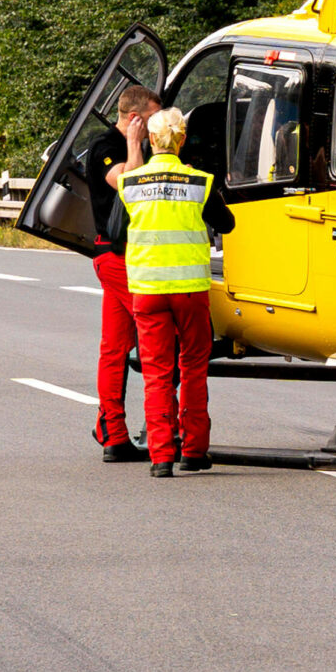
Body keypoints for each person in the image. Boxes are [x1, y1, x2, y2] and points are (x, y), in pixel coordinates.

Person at [108, 107, 232, 477]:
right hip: (191, 290)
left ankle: (161, 456)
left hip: (147, 291)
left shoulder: (130, 183)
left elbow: (115, 234)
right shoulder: (200, 182)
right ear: (182, 140)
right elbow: (227, 223)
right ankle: (193, 451)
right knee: (192, 367)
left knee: (156, 372)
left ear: (149, 140)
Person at [75, 84, 156, 461]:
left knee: (114, 348)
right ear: (135, 118)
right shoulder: (106, 146)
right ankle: (161, 435)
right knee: (157, 340)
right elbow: (132, 186)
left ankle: (113, 433)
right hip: (118, 257)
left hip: (129, 257)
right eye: (153, 118)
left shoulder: (145, 145)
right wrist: (136, 145)